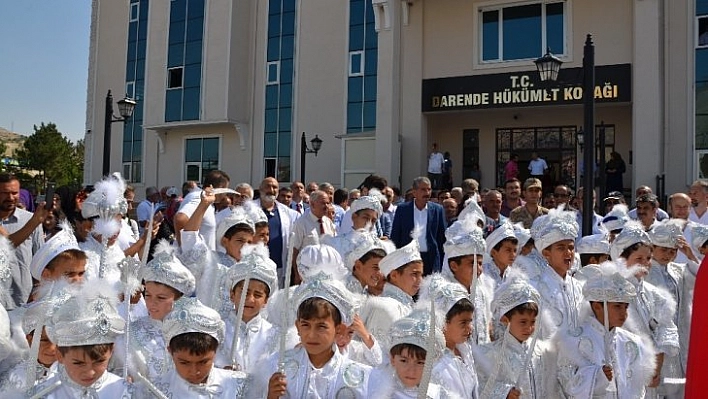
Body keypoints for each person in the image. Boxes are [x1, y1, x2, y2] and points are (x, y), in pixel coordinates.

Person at [258, 246, 371, 398]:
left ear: (338, 329)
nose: (311, 335)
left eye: (321, 327)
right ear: (297, 327)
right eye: (305, 325)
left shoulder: (358, 377)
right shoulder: (277, 365)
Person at [556, 263, 657, 398]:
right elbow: (567, 383)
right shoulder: (574, 341)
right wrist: (597, 376)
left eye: (625, 307)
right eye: (617, 306)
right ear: (597, 306)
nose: (623, 313)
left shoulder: (632, 342)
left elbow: (638, 387)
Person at [609, 221, 680, 397]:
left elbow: (666, 327)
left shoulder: (654, 294)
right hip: (621, 366)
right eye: (638, 259)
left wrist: (657, 364)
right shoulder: (610, 291)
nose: (645, 263)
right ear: (622, 260)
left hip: (650, 369)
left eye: (648, 258)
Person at [28, 282, 128, 398]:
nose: (90, 372)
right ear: (59, 355)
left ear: (111, 351)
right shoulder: (43, 394)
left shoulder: (125, 392)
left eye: (99, 361)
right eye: (78, 363)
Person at [146, 297, 248, 398]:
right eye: (184, 363)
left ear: (216, 350)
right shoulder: (152, 391)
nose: (194, 371)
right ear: (170, 351)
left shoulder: (238, 386)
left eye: (203, 362)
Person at [216, 244, 295, 372]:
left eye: (257, 295)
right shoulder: (218, 330)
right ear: (232, 295)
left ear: (266, 301)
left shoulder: (276, 335)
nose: (250, 299)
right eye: (244, 292)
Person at [473, 272, 552, 398]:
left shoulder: (540, 350)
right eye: (523, 322)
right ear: (505, 320)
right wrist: (504, 392)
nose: (529, 328)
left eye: (533, 322)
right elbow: (478, 386)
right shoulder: (490, 354)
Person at [646, 221, 695, 398]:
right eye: (663, 249)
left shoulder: (677, 270)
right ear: (652, 247)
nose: (668, 254)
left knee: (678, 388)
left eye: (672, 251)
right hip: (655, 338)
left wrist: (689, 254)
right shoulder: (645, 270)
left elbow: (699, 279)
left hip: (679, 339)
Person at [367, 308, 450, 398]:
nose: (411, 370)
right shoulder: (372, 387)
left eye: (420, 363)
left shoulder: (437, 395)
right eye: (404, 361)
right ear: (392, 359)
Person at [423, 277, 479, 399]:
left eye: (470, 321)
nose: (470, 328)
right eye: (463, 323)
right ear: (443, 322)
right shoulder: (434, 362)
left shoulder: (465, 350)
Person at [0, 173, 46, 308]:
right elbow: (7, 244)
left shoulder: (30, 219)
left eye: (14, 193)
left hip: (23, 300)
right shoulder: (33, 220)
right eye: (4, 193)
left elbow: (40, 259)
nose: (10, 198)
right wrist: (33, 223)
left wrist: (38, 291)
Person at [391, 177, 447, 275]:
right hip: (408, 258)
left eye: (429, 189)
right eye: (423, 189)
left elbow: (442, 237)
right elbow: (396, 235)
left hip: (430, 259)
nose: (427, 192)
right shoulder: (402, 209)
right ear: (414, 192)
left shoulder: (437, 210)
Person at [254, 177, 299, 288]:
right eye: (268, 186)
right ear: (260, 189)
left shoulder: (288, 213)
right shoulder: (249, 209)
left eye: (274, 187)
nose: (271, 189)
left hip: (279, 267)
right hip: (255, 265)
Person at [173, 170, 231, 249]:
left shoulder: (201, 198)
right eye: (225, 190)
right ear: (220, 188)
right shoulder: (200, 198)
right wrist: (185, 252)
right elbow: (180, 218)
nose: (225, 194)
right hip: (195, 260)